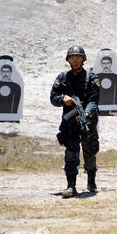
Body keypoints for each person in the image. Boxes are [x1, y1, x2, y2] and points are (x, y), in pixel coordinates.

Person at [50, 46, 100, 198]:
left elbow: (94, 100)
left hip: (87, 121)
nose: (75, 61)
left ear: (83, 59)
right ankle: (71, 186)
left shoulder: (91, 78)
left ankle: (91, 180)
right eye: (72, 58)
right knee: (71, 153)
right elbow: (53, 98)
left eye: (78, 58)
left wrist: (86, 113)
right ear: (68, 60)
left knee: (90, 151)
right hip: (70, 123)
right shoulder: (62, 78)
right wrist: (62, 99)